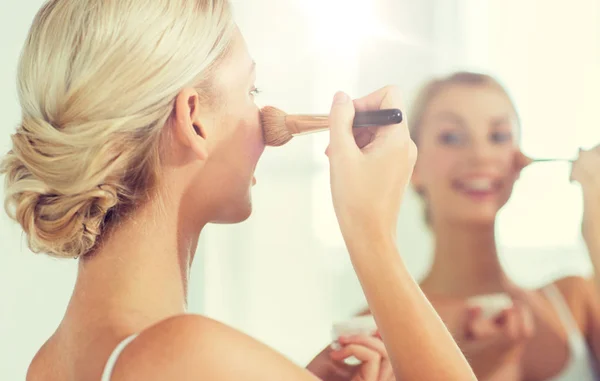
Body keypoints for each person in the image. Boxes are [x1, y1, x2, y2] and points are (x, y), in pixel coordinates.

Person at [1, 1, 477, 380]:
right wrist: (371, 233)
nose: (264, 121)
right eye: (251, 91)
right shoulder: (188, 354)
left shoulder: (50, 363)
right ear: (194, 119)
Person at [359, 71, 600, 380]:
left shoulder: (575, 301)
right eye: (452, 137)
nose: (481, 155)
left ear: (519, 162)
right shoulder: (376, 330)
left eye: (498, 136)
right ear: (412, 165)